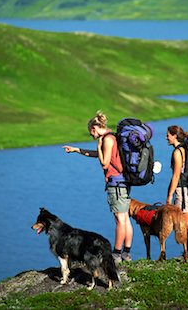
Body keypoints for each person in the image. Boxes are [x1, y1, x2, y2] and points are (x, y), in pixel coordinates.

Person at [62, 111, 133, 265]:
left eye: (91, 133)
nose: (92, 136)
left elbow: (104, 163)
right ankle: (127, 253)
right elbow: (98, 155)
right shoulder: (112, 137)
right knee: (126, 219)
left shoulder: (106, 140)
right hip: (123, 182)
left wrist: (99, 146)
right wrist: (77, 150)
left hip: (115, 184)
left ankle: (117, 254)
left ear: (95, 128)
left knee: (120, 220)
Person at [166, 125, 188, 261]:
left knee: (186, 222)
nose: (166, 137)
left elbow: (176, 176)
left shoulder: (177, 152)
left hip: (183, 190)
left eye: (168, 134)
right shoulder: (186, 149)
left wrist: (169, 195)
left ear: (174, 136)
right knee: (184, 221)